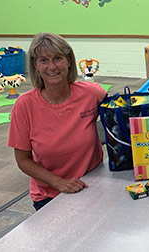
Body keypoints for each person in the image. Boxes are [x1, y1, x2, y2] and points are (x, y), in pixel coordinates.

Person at [8, 33, 107, 211]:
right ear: (36, 66)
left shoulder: (92, 94)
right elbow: (23, 160)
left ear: (69, 61)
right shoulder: (24, 105)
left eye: (57, 58)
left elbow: (123, 120)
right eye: (43, 60)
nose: (52, 66)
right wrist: (59, 183)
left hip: (94, 185)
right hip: (50, 195)